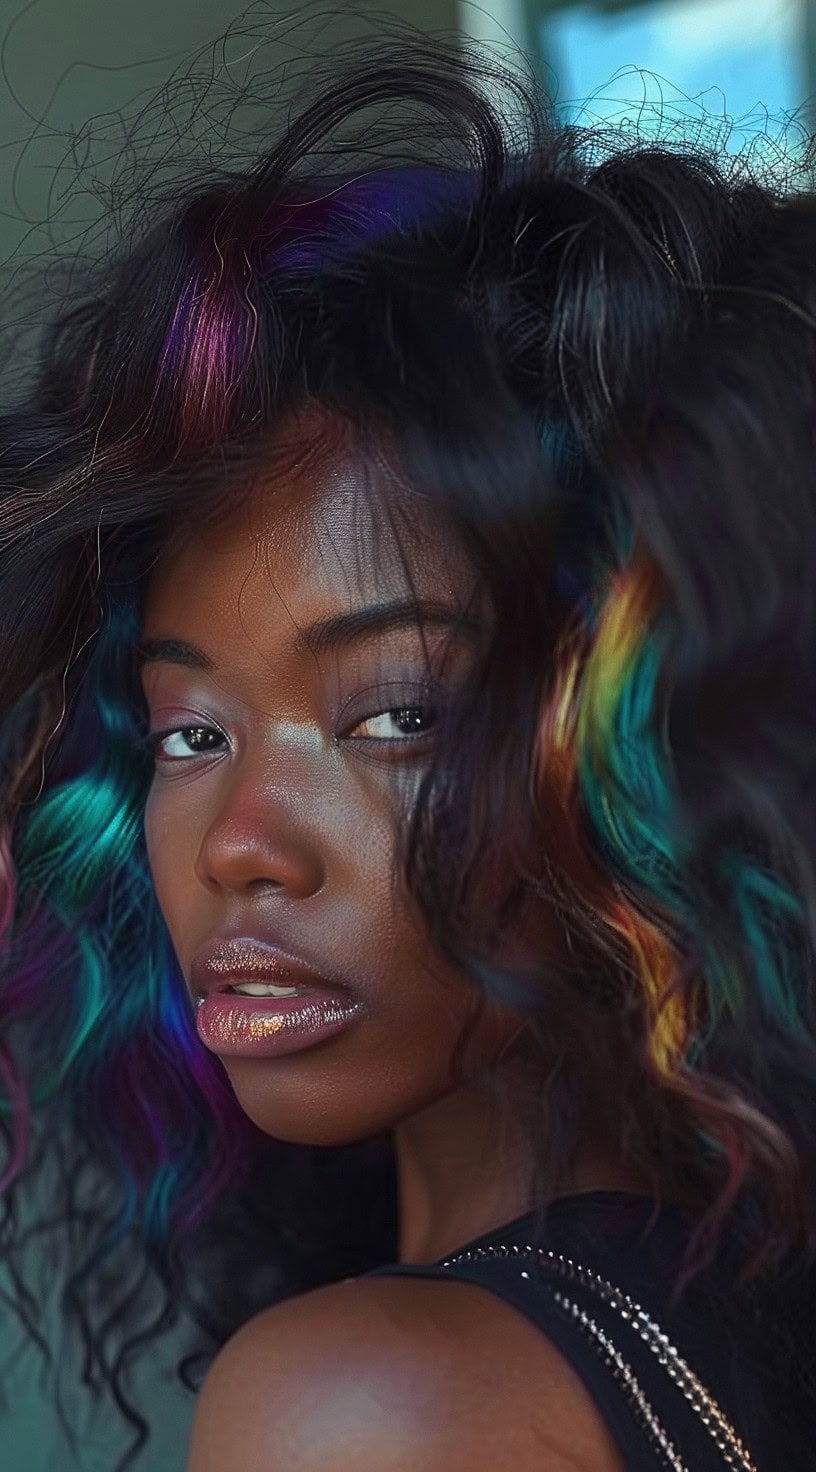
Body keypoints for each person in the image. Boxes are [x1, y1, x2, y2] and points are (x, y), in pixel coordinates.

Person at [1, 21, 815, 1472]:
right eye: (188, 732)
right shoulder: (719, 1326)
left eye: (393, 717)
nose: (241, 843)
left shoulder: (368, 1407)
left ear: (641, 742)